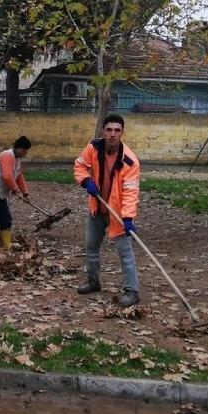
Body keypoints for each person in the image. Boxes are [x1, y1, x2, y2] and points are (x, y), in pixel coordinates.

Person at [73, 114, 141, 307]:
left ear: (122, 133)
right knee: (91, 247)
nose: (112, 134)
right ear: (104, 131)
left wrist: (128, 218)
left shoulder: (130, 161)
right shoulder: (93, 148)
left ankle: (131, 291)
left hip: (117, 213)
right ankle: (93, 281)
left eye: (117, 130)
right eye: (109, 130)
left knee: (125, 252)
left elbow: (130, 191)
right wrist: (86, 180)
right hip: (97, 208)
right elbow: (80, 166)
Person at [0, 136, 32, 253]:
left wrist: (26, 193)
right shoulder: (7, 156)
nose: (25, 153)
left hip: (0, 193)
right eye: (25, 151)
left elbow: (19, 177)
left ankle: (6, 242)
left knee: (5, 218)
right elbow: (7, 176)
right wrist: (14, 189)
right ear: (20, 148)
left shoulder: (16, 160)